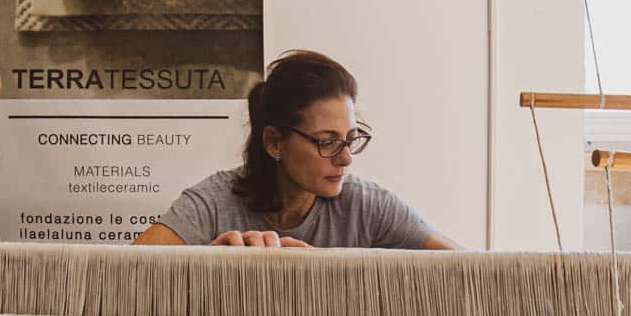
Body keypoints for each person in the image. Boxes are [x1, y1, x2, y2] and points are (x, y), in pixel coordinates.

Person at [135, 51, 459, 249]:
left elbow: (470, 272)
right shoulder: (213, 204)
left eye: (351, 138)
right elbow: (121, 277)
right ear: (275, 142)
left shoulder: (366, 207)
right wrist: (206, 263)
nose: (345, 158)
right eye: (327, 141)